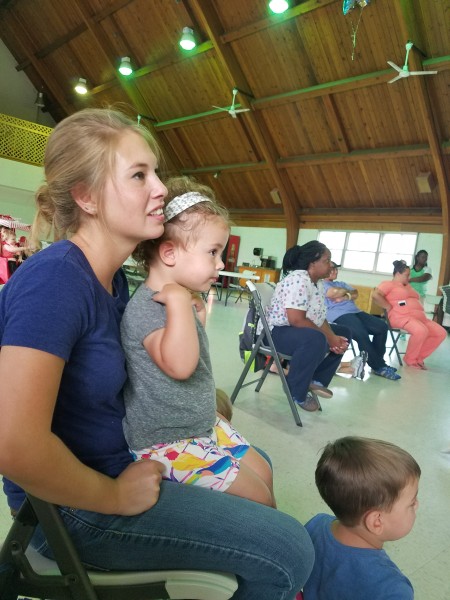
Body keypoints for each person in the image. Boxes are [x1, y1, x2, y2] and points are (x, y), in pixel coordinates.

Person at [0, 107, 314, 600]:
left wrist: (195, 403)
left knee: (261, 462)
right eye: (139, 175)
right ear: (86, 197)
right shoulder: (56, 279)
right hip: (74, 506)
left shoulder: (115, 281)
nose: (161, 188)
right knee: (290, 550)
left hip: (115, 465)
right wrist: (113, 496)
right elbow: (13, 444)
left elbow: (129, 379)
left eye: (157, 172)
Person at [121, 178, 275, 507]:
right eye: (212, 252)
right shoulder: (148, 307)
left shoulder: (179, 299)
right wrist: (178, 303)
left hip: (198, 423)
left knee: (263, 471)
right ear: (170, 252)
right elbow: (181, 366)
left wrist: (191, 311)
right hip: (168, 441)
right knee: (259, 497)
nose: (220, 263)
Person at [303, 436, 420, 600]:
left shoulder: (316, 524)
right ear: (376, 522)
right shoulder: (392, 589)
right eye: (412, 502)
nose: (417, 505)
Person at [265, 242, 351, 412]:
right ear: (313, 263)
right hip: (276, 332)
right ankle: (297, 390)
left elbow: (319, 318)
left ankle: (316, 380)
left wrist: (333, 337)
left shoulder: (316, 282)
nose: (331, 265)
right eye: (327, 261)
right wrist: (329, 337)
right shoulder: (298, 280)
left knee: (344, 332)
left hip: (294, 330)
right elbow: (296, 319)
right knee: (316, 338)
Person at [323, 261, 400, 381]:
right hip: (338, 315)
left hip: (356, 312)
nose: (335, 271)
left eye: (336, 269)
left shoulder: (340, 283)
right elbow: (334, 293)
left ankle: (378, 362)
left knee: (381, 327)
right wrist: (344, 292)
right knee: (361, 334)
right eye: (332, 269)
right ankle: (380, 367)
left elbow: (355, 293)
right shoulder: (320, 284)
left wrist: (345, 296)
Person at [372, 260, 446, 369]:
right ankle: (410, 359)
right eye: (407, 275)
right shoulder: (388, 284)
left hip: (420, 319)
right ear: (398, 274)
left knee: (440, 333)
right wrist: (388, 307)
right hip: (400, 317)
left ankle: (419, 357)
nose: (409, 277)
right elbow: (375, 295)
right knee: (421, 331)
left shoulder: (407, 286)